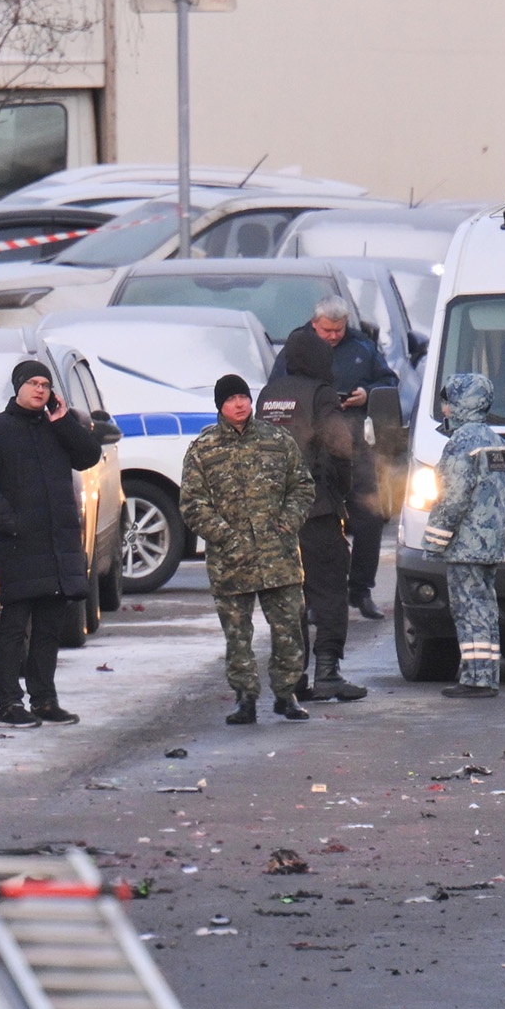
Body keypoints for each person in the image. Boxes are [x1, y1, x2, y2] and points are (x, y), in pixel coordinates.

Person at [0, 359, 104, 729]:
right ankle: (8, 703)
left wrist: (64, 421)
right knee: (15, 625)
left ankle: (44, 699)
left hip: (59, 544)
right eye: (33, 384)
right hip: (20, 544)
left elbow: (88, 455)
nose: (40, 390)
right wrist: (9, 521)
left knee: (49, 627)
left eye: (45, 384)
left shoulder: (55, 428)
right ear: (18, 388)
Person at [180, 373, 317, 724]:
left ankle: (287, 694)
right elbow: (193, 503)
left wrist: (287, 522)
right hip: (231, 560)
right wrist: (224, 536)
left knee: (289, 628)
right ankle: (245, 698)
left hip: (278, 556)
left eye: (243, 397)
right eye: (231, 399)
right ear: (219, 406)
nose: (239, 404)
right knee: (238, 634)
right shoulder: (204, 449)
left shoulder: (276, 440)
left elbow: (301, 486)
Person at [258, 328, 367, 703]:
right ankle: (327, 672)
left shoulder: (268, 396)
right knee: (329, 590)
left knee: (289, 596)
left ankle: (292, 677)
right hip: (316, 511)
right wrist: (344, 492)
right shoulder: (321, 394)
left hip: (273, 516)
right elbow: (340, 447)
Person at [275, 295, 397, 619]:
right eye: (327, 330)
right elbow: (278, 388)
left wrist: (366, 395)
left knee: (370, 518)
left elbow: (389, 381)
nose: (332, 336)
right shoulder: (297, 346)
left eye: (338, 330)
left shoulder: (362, 347)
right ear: (314, 324)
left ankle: (361, 590)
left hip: (355, 443)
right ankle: (314, 597)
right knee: (315, 523)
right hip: (309, 448)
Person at [424, 371, 505, 699]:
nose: (445, 410)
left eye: (449, 402)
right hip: (490, 543)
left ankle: (474, 679)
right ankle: (487, 674)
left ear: (462, 403)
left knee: (468, 607)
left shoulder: (462, 443)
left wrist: (435, 539)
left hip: (466, 545)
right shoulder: (496, 442)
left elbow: (452, 497)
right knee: (486, 608)